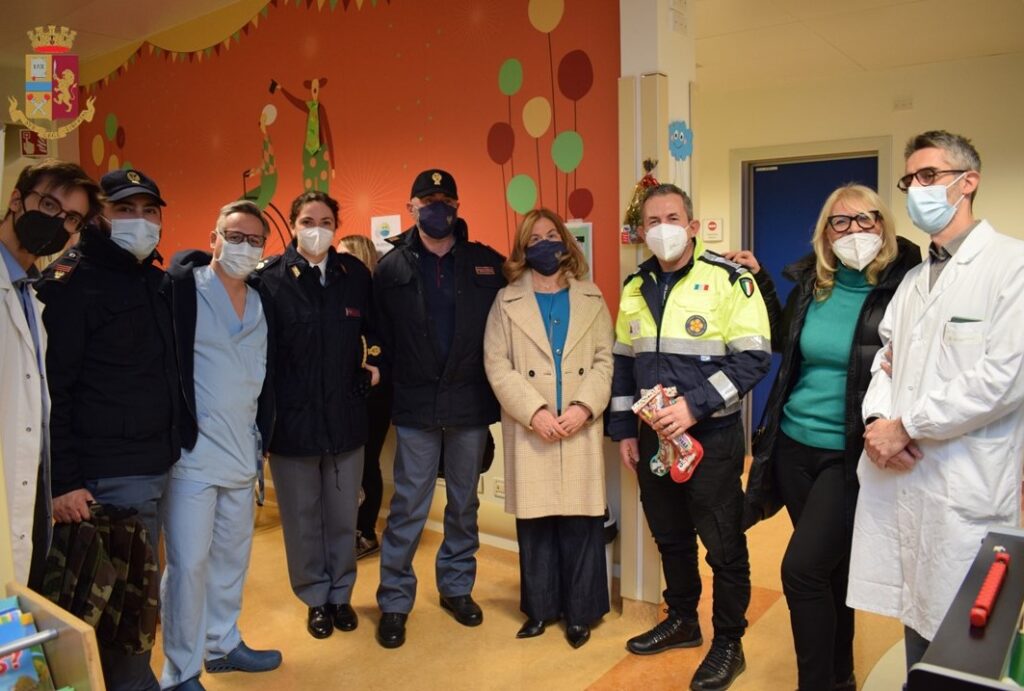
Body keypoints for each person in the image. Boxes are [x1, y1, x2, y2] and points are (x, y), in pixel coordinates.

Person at [847, 130, 1024, 676]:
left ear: (968, 182)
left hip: (965, 481)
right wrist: (879, 420)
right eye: (910, 180)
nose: (917, 189)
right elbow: (885, 361)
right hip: (907, 476)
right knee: (917, 619)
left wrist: (908, 426)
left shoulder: (1011, 265)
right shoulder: (914, 280)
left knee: (966, 639)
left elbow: (1004, 377)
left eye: (930, 175)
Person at [736, 185, 920, 691]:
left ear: (883, 225)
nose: (854, 230)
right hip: (794, 447)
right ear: (826, 234)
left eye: (866, 219)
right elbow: (784, 341)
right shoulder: (813, 286)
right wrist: (761, 281)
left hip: (851, 455)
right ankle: (841, 677)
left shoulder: (905, 288)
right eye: (841, 222)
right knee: (831, 573)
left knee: (801, 571)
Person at [609, 184, 771, 691]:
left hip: (713, 438)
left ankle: (729, 642)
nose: (663, 228)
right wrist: (624, 430)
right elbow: (623, 364)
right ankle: (682, 620)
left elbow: (753, 358)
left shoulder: (730, 279)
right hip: (653, 439)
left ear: (693, 226)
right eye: (653, 221)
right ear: (641, 231)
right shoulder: (635, 286)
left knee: (723, 547)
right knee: (671, 537)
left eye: (673, 218)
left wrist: (693, 406)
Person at [36, 168, 178, 691]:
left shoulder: (152, 280)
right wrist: (65, 480)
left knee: (140, 598)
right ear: (99, 216)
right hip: (108, 475)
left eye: (149, 210)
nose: (140, 221)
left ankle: (136, 679)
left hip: (157, 462)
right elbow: (54, 390)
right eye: (124, 209)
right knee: (119, 606)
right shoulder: (72, 284)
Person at [373, 169, 505, 649]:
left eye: (446, 200)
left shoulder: (485, 263)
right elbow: (379, 337)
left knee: (464, 503)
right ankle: (394, 600)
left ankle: (456, 588)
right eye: (428, 201)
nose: (438, 208)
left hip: (470, 402)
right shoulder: (390, 268)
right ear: (411, 208)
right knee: (409, 505)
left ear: (457, 206)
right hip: (416, 405)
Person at [160, 201, 281, 690]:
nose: (244, 247)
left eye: (255, 240)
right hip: (192, 456)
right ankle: (180, 672)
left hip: (242, 452)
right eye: (234, 236)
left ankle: (222, 644)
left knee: (232, 560)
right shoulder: (183, 290)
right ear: (213, 238)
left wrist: (265, 435)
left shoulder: (262, 300)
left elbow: (266, 377)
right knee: (188, 566)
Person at [483, 208, 613, 648]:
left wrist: (583, 407)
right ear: (523, 249)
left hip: (578, 423)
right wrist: (534, 411)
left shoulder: (592, 296)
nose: (544, 244)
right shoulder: (505, 301)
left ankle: (581, 613)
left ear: (566, 241)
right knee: (536, 525)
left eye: (551, 235)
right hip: (532, 426)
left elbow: (604, 360)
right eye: (534, 239)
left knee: (580, 522)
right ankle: (539, 610)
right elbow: (497, 364)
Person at [254, 191, 379, 641]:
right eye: (308, 220)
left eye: (326, 221)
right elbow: (260, 356)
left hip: (345, 419)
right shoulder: (269, 280)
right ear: (293, 225)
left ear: (336, 227)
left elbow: (376, 333)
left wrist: (374, 365)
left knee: (344, 516)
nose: (317, 229)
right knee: (303, 520)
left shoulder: (354, 275)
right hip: (293, 425)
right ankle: (314, 598)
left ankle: (341, 594)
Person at [0, 160, 100, 586]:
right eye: (49, 205)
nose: (58, 222)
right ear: (16, 199)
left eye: (72, 218)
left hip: (26, 496)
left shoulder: (31, 293)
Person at [338, 234, 391, 558]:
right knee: (346, 464)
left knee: (366, 462)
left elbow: (381, 344)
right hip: (343, 393)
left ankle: (366, 532)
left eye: (345, 256)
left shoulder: (377, 296)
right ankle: (346, 529)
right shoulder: (339, 292)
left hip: (375, 392)